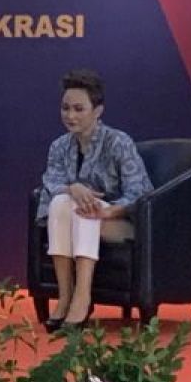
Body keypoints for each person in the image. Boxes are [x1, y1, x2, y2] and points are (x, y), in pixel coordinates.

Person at [37, 68, 151, 331]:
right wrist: (72, 188)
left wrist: (109, 211)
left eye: (79, 109)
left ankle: (82, 296)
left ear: (98, 111)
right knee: (60, 202)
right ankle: (65, 296)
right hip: (80, 216)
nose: (70, 116)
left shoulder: (118, 142)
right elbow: (51, 183)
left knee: (85, 210)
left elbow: (140, 193)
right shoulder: (59, 146)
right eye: (65, 108)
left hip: (120, 221)